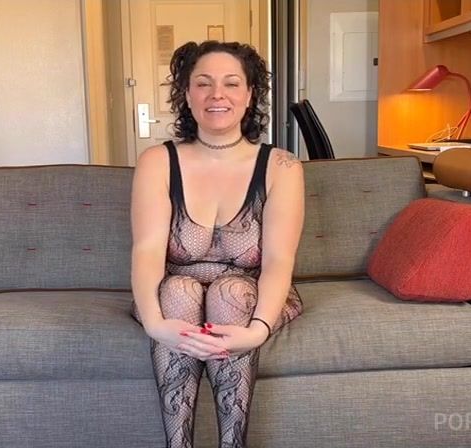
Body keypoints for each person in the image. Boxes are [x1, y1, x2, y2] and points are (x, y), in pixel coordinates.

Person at [130, 40, 304, 448]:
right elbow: (147, 250)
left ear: (250, 94)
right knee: (178, 289)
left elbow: (278, 260)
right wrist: (155, 324)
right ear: (187, 94)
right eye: (203, 83)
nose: (217, 94)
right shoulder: (157, 161)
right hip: (175, 295)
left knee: (229, 293)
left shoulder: (282, 166)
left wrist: (258, 330)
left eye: (231, 83)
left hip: (250, 294)